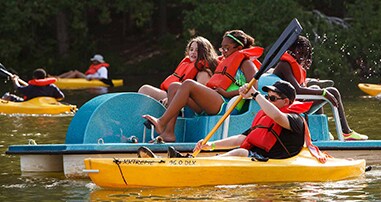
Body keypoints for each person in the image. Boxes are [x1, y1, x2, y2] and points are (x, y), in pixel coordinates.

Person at [138, 81, 328, 163]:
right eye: (267, 97)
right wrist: (210, 144)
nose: (268, 100)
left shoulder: (295, 120)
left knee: (240, 152)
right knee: (240, 148)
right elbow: (240, 137)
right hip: (256, 157)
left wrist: (255, 95)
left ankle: (194, 165)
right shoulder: (264, 117)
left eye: (272, 98)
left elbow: (278, 117)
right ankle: (193, 161)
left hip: (272, 161)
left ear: (286, 102)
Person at [143, 30, 263, 142]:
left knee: (188, 84)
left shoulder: (246, 64)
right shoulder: (226, 62)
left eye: (227, 48)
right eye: (222, 48)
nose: (223, 52)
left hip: (228, 105)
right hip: (216, 100)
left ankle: (161, 122)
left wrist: (226, 93)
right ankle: (169, 133)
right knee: (174, 86)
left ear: (239, 48)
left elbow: (253, 89)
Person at [271, 36, 368, 141]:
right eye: (301, 53)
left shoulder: (289, 64)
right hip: (289, 105)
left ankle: (322, 131)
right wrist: (323, 92)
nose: (302, 57)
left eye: (304, 54)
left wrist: (316, 88)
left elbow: (299, 85)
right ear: (294, 49)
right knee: (333, 91)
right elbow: (297, 90)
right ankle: (346, 132)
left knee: (315, 87)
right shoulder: (284, 65)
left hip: (295, 100)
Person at [138, 36, 219, 105]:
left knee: (146, 90)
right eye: (191, 49)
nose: (193, 52)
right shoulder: (187, 65)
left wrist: (173, 99)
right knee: (145, 89)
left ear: (204, 52)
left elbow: (198, 96)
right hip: (172, 94)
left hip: (183, 101)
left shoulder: (204, 72)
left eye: (197, 50)